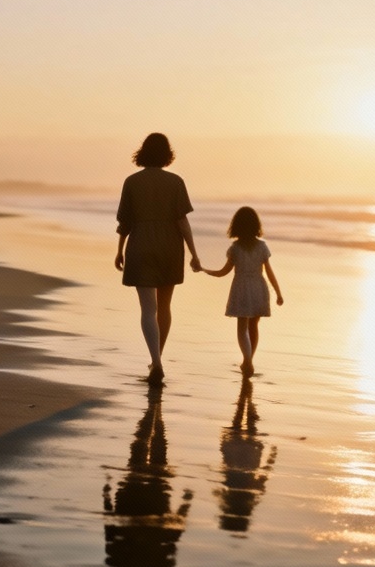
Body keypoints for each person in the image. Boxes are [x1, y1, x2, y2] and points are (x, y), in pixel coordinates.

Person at [115, 133, 201, 383]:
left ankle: (156, 361)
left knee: (147, 309)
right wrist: (194, 254)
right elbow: (182, 221)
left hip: (140, 243)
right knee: (164, 306)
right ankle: (156, 361)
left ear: (142, 152)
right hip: (170, 247)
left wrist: (120, 250)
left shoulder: (131, 182)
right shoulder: (176, 182)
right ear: (167, 154)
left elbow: (125, 223)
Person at [201, 205, 283, 378]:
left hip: (241, 289)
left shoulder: (235, 249)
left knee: (241, 328)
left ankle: (247, 360)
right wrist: (278, 292)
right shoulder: (262, 247)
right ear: (256, 225)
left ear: (236, 226)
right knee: (253, 326)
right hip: (259, 288)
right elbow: (269, 271)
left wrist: (205, 270)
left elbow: (224, 272)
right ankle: (249, 360)